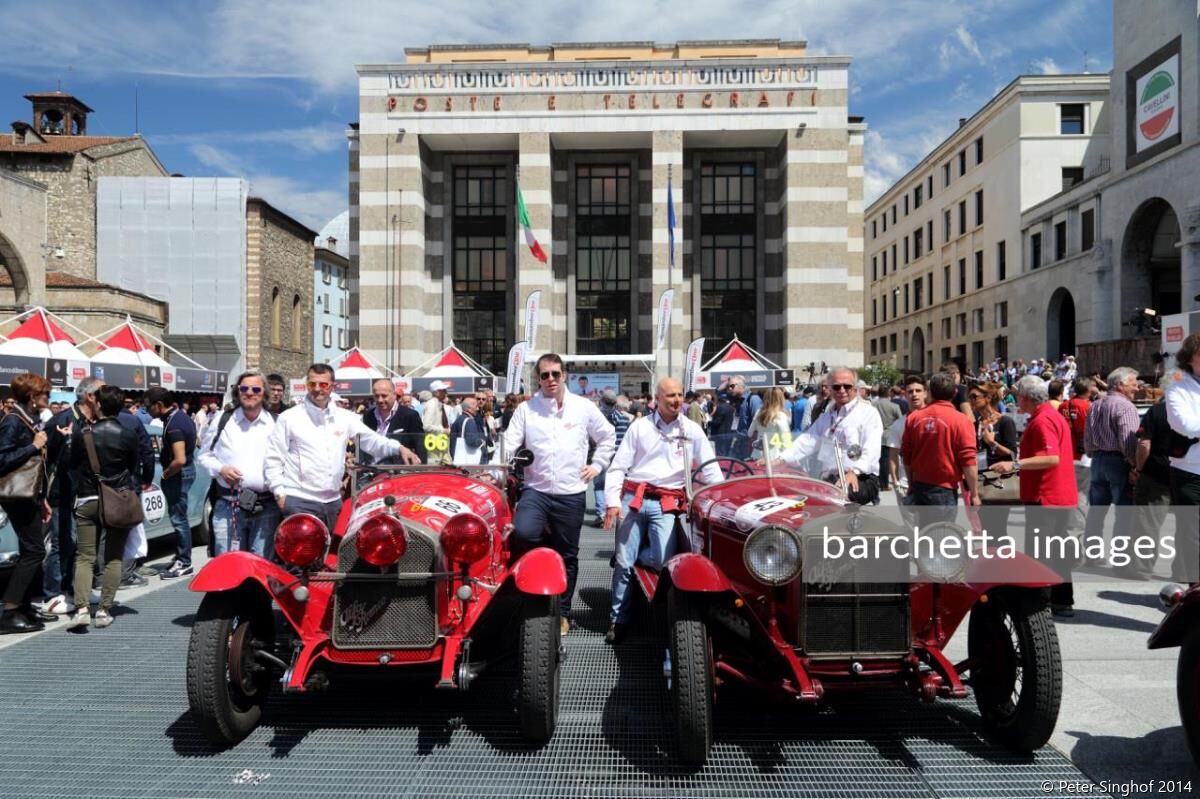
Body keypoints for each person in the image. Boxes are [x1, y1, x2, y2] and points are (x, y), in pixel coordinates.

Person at [503, 353, 615, 635]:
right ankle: (533, 597)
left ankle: (563, 613)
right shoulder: (527, 410)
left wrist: (597, 465)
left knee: (568, 554)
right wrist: (497, 470)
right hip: (537, 490)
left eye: (555, 374)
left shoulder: (583, 407)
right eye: (544, 375)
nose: (550, 379)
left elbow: (607, 435)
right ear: (538, 378)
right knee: (524, 533)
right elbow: (509, 444)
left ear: (564, 375)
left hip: (570, 493)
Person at [603, 377, 721, 643]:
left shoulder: (692, 429)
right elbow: (618, 467)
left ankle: (638, 557)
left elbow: (710, 467)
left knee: (662, 563)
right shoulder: (639, 427)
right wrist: (612, 501)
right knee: (623, 562)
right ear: (657, 398)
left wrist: (721, 497)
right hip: (634, 498)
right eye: (670, 396)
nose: (677, 400)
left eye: (679, 395)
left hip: (667, 502)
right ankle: (617, 619)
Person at [266, 364, 419, 533]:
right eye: (312, 384)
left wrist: (399, 448)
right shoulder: (289, 417)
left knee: (333, 558)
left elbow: (372, 441)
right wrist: (279, 494)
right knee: (301, 558)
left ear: (333, 386)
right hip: (300, 500)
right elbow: (273, 458)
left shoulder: (345, 417)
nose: (317, 389)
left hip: (332, 502)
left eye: (323, 384)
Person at [991, 376, 1078, 617]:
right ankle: (1062, 599)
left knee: (1041, 553)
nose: (1016, 398)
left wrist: (1014, 465)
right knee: (1056, 550)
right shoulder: (1050, 416)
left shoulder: (1043, 421)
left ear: (1027, 397)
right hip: (1057, 495)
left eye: (1018, 394)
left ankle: (1040, 605)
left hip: (1046, 496)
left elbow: (1051, 458)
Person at [67, 385, 140, 630]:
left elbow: (72, 466)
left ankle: (82, 609)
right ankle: (104, 609)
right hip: (116, 500)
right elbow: (133, 467)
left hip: (87, 499)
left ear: (97, 404)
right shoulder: (128, 434)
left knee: (85, 556)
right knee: (113, 557)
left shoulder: (84, 433)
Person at [197, 370, 280, 557]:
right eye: (244, 388)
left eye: (256, 389)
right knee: (228, 567)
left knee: (261, 571)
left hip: (266, 508)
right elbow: (203, 456)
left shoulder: (276, 423)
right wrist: (221, 469)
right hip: (228, 507)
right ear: (237, 392)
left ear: (264, 393)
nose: (249, 393)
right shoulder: (222, 420)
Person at [775, 367, 883, 505]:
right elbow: (807, 440)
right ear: (830, 389)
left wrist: (854, 472)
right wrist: (780, 459)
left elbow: (871, 449)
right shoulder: (827, 416)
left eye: (847, 386)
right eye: (837, 387)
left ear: (855, 389)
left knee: (835, 506)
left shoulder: (868, 413)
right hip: (830, 479)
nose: (842, 390)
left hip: (861, 478)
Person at [0, 374, 54, 634]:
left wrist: (42, 498)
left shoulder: (26, 418)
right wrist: (33, 446)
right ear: (32, 397)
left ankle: (22, 606)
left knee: (30, 549)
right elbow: (2, 459)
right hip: (16, 495)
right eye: (45, 394)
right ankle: (10, 610)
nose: (49, 398)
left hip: (29, 495)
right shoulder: (13, 420)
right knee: (34, 551)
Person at [900, 372, 979, 520]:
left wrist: (911, 484)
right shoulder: (961, 421)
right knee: (942, 536)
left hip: (919, 486)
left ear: (929, 392)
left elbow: (906, 456)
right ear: (954, 392)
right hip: (945, 489)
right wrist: (974, 494)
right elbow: (968, 460)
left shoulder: (914, 418)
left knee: (924, 534)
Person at [1082, 366, 1139, 560]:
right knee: (1124, 513)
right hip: (1118, 461)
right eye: (1134, 384)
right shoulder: (1125, 406)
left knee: (1096, 512)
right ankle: (1120, 557)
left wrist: (1092, 453)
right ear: (1121, 385)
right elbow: (1128, 440)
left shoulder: (1096, 404)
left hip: (1098, 460)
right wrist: (1134, 465)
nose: (1137, 388)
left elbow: (1087, 435)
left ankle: (1092, 554)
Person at [145, 387, 199, 579]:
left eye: (148, 406)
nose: (146, 410)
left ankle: (184, 562)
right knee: (179, 517)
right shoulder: (182, 418)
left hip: (179, 474)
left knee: (178, 518)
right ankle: (180, 556)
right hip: (186, 471)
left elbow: (179, 459)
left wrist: (166, 474)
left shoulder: (174, 425)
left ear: (159, 405)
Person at [1126, 375, 1176, 579]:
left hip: (1157, 475)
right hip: (1189, 475)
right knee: (1189, 525)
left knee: (1148, 523)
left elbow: (1144, 444)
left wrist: (1138, 468)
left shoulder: (1157, 411)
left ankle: (1142, 568)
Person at [1165, 333, 1200, 583]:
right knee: (1192, 536)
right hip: (1190, 472)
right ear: (1190, 359)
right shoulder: (1178, 389)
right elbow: (1185, 425)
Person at [970, 381, 1017, 535]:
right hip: (980, 478)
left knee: (997, 528)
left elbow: (1012, 454)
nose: (971, 401)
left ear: (988, 398)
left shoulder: (1005, 422)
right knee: (985, 529)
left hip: (997, 481)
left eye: (974, 397)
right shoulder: (975, 422)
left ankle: (1002, 557)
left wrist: (992, 443)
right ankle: (991, 557)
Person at [361, 378, 427, 464]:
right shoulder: (368, 416)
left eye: (384, 396)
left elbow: (420, 447)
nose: (380, 400)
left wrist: (421, 470)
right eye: (376, 396)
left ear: (394, 395)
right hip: (372, 470)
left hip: (398, 471)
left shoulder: (409, 415)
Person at [593, 390, 631, 527]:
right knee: (617, 486)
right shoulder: (624, 418)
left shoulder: (596, 419)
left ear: (601, 401)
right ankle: (616, 511)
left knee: (599, 486)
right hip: (618, 457)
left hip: (601, 455)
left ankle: (601, 514)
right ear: (616, 403)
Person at [887, 375, 926, 500]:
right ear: (905, 395)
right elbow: (893, 455)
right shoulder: (898, 424)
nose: (914, 394)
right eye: (910, 391)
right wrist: (895, 481)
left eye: (918, 391)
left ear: (925, 393)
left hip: (932, 484)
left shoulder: (936, 420)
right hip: (905, 485)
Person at [872, 384, 902, 490]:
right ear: (888, 393)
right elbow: (900, 420)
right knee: (885, 460)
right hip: (888, 434)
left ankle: (876, 482)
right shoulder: (894, 406)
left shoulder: (872, 405)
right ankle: (884, 484)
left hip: (875, 434)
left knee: (876, 460)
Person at [748, 387, 791, 460]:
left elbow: (749, 433)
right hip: (775, 455)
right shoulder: (780, 415)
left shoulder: (759, 412)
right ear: (780, 399)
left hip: (758, 453)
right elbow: (786, 438)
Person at [450, 396, 489, 465]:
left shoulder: (459, 419)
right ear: (468, 409)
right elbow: (471, 441)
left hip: (459, 456)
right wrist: (482, 441)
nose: (477, 408)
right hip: (470, 461)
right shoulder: (469, 421)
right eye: (475, 405)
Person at [421, 380, 454, 465]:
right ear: (436, 392)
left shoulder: (438, 404)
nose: (445, 392)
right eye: (443, 390)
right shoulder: (432, 404)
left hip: (440, 443)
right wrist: (443, 430)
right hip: (434, 445)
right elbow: (426, 426)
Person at [1059, 378, 1092, 460]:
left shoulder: (1063, 405)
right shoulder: (1087, 406)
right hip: (1084, 450)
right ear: (1088, 390)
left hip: (1066, 448)